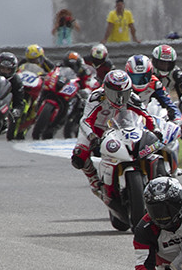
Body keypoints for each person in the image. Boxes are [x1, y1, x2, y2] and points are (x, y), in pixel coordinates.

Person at [69, 69, 160, 205]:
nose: (120, 99)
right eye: (114, 94)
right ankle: (94, 181)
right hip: (95, 130)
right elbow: (85, 121)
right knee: (79, 156)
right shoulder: (96, 98)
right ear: (105, 89)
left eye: (124, 94)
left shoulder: (133, 98)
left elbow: (148, 117)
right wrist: (92, 136)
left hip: (119, 128)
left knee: (143, 149)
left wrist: (156, 130)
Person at [123, 53, 180, 120]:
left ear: (150, 73)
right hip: (125, 119)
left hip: (147, 118)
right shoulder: (122, 84)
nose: (140, 82)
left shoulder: (155, 83)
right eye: (135, 77)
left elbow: (168, 103)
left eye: (144, 77)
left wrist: (177, 118)